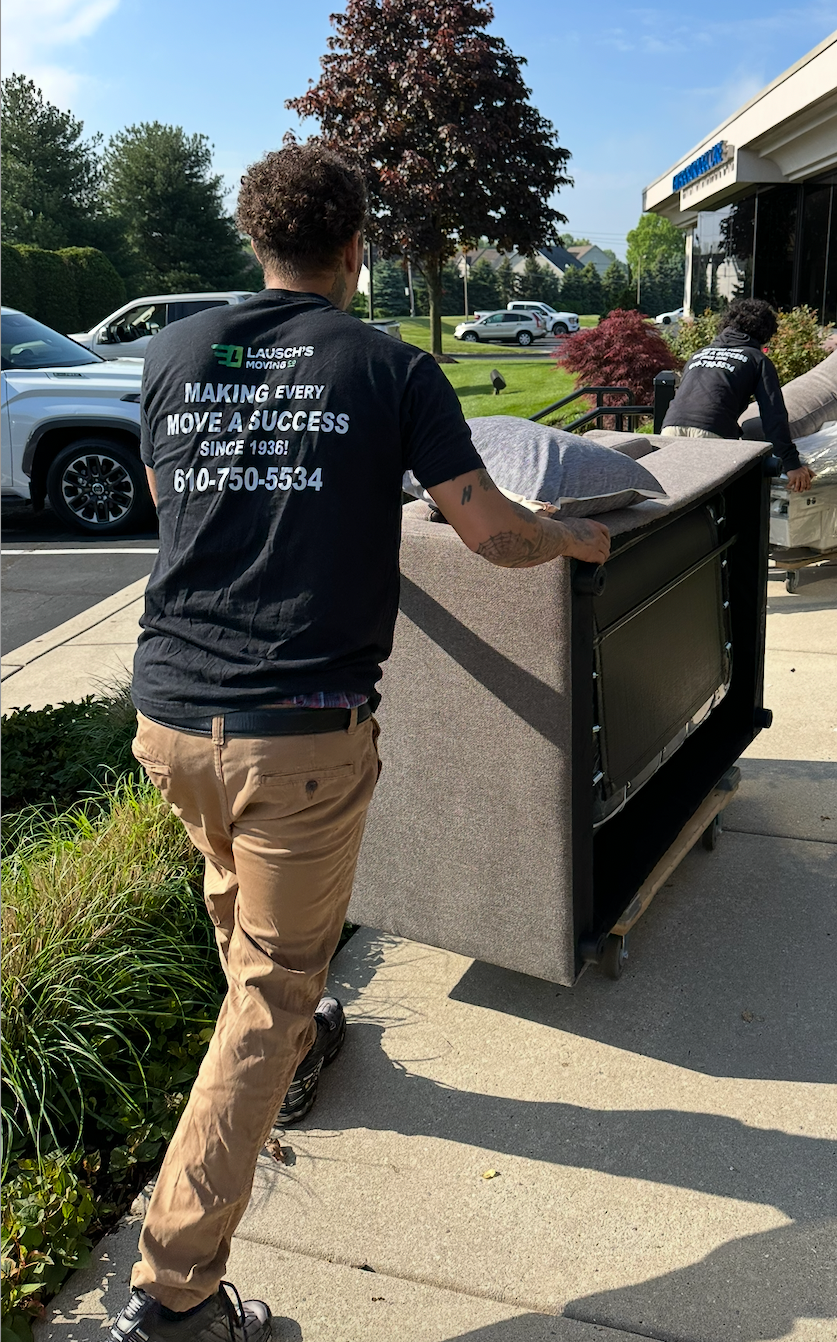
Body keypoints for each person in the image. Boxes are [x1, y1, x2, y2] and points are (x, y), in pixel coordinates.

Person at [111, 143, 610, 1342]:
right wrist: (575, 542)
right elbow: (486, 529)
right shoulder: (389, 365)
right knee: (271, 986)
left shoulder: (177, 352)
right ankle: (175, 1294)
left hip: (170, 716)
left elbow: (164, 492)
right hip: (298, 730)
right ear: (355, 250)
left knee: (242, 909)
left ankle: (303, 1047)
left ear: (255, 242)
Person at [661, 296, 813, 493]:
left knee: (678, 496)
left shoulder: (699, 354)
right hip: (712, 432)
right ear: (764, 331)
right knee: (713, 502)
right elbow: (773, 415)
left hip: (670, 429)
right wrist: (791, 464)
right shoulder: (756, 359)